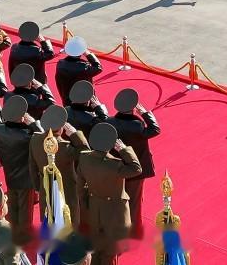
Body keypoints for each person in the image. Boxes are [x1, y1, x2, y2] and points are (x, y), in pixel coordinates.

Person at [76, 123, 142, 265]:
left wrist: (86, 204)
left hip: (94, 209)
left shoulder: (84, 158)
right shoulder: (115, 164)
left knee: (96, 251)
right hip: (114, 214)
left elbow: (80, 186)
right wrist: (124, 150)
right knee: (110, 254)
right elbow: (136, 168)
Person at [108, 89, 160, 240]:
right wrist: (144, 112)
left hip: (117, 168)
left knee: (118, 200)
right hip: (136, 170)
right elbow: (155, 129)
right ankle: (134, 232)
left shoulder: (110, 122)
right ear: (133, 108)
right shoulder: (138, 126)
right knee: (135, 202)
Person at [0, 95, 42, 246]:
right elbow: (43, 137)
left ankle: (12, 229)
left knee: (13, 202)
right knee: (25, 208)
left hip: (10, 172)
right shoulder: (26, 136)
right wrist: (34, 124)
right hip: (25, 176)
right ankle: (23, 235)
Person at [55, 36, 103, 102]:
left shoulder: (60, 64)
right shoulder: (84, 67)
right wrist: (88, 54)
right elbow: (98, 67)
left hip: (67, 99)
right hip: (84, 101)